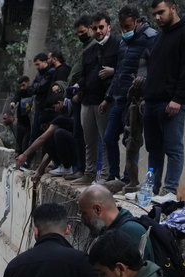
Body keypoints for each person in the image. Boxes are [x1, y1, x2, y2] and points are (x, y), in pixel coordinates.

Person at [143, 0, 185, 201]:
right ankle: (151, 188)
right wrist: (146, 97)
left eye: (161, 12)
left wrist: (178, 98)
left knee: (173, 148)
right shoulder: (160, 36)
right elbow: (154, 70)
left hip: (172, 102)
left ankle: (169, 191)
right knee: (153, 150)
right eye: (154, 14)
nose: (157, 17)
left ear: (173, 8)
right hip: (152, 103)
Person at [101, 6, 158, 190]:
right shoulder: (123, 43)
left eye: (127, 26)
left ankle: (129, 180)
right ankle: (113, 176)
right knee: (109, 137)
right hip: (118, 97)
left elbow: (156, 69)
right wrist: (107, 97)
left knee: (131, 141)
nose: (124, 31)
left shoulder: (150, 39)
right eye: (122, 27)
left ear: (136, 21)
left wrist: (146, 93)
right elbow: (119, 73)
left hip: (135, 100)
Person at [73, 11, 120, 186]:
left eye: (101, 27)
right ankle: (89, 173)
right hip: (87, 101)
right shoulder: (89, 50)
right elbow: (84, 75)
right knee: (89, 141)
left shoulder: (118, 46)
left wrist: (113, 71)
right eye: (95, 28)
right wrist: (78, 89)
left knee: (106, 139)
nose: (98, 31)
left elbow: (124, 70)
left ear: (109, 26)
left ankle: (107, 175)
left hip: (105, 101)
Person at [15, 91, 76, 177]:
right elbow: (48, 154)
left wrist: (25, 154)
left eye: (44, 126)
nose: (44, 129)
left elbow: (42, 139)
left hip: (76, 152)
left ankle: (66, 167)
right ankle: (61, 166)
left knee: (57, 134)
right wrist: (39, 171)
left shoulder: (60, 120)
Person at [66, 15, 94, 179]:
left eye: (82, 32)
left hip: (84, 97)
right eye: (78, 33)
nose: (80, 35)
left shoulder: (93, 47)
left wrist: (80, 92)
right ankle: (80, 169)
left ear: (91, 28)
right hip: (77, 97)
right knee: (78, 135)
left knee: (86, 137)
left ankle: (85, 170)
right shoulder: (86, 47)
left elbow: (89, 75)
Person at [28, 53, 55, 145]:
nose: (37, 67)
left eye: (38, 64)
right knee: (34, 134)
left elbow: (41, 87)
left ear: (45, 62)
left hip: (47, 107)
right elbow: (31, 88)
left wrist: (36, 87)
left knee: (46, 135)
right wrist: (36, 87)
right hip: (39, 107)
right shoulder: (39, 74)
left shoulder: (51, 72)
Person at [11, 76, 33, 154]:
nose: (22, 88)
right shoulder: (20, 92)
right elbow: (15, 97)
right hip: (20, 121)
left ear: (28, 83)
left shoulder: (32, 91)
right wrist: (13, 102)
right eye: (20, 86)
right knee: (19, 145)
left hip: (29, 122)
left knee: (25, 145)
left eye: (23, 85)